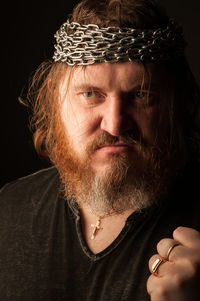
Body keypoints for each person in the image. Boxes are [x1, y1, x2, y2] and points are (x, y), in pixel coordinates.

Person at [0, 0, 200, 300]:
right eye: (91, 94)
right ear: (56, 102)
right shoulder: (7, 209)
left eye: (142, 95)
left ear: (176, 105)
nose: (116, 125)